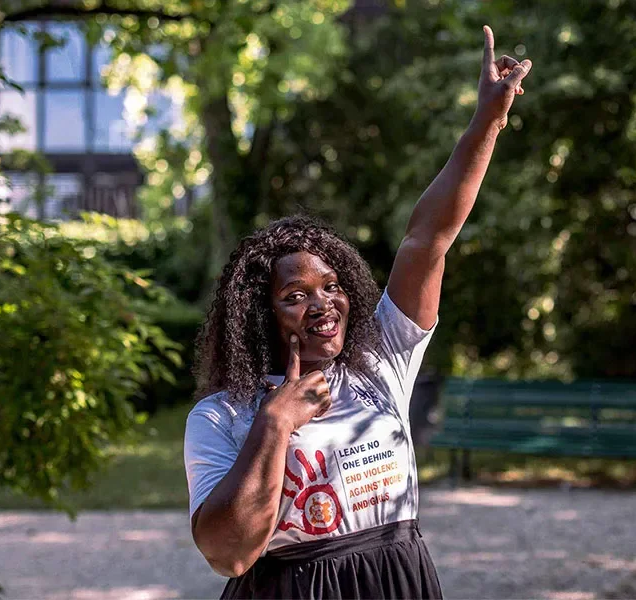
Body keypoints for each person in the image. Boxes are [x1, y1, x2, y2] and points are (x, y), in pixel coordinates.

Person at [184, 25, 532, 599]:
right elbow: (230, 553)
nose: (322, 303)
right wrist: (276, 422)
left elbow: (428, 239)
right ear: (258, 315)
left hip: (397, 580)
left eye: (330, 286)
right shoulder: (223, 417)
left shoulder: (381, 360)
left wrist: (486, 124)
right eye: (295, 296)